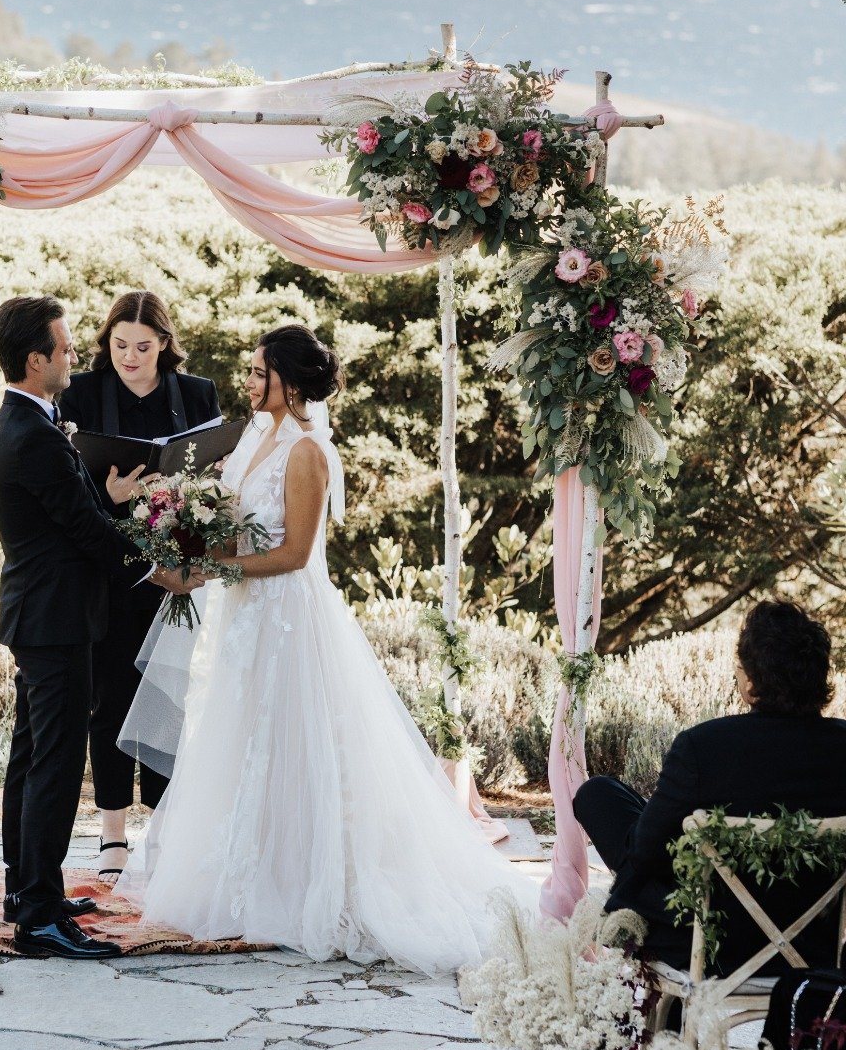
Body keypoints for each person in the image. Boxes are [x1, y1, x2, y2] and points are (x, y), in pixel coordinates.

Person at [118, 323, 536, 974]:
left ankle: (304, 881)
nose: (250, 382)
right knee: (244, 740)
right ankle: (249, 874)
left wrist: (213, 572)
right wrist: (190, 554)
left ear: (290, 379)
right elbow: (234, 533)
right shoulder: (252, 440)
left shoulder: (308, 451)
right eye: (251, 371)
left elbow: (291, 553)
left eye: (261, 373)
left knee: (294, 742)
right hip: (245, 619)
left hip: (290, 621)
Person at [0, 294, 191, 961]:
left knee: (31, 755)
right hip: (55, 616)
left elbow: (76, 516)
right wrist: (159, 572)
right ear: (35, 358)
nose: (75, 355)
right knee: (53, 762)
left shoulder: (30, 422)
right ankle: (40, 917)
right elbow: (86, 528)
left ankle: (27, 892)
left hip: (40, 612)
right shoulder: (35, 434)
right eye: (64, 347)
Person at [575, 599, 846, 974]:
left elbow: (643, 851)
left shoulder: (704, 746)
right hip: (816, 943)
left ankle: (627, 918)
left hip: (710, 940)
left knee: (598, 796)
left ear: (752, 681)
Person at [59, 290, 221, 881]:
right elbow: (68, 490)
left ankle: (166, 826)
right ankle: (111, 834)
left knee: (168, 692)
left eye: (143, 346)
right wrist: (112, 496)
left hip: (176, 567)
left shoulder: (197, 393)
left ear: (164, 345)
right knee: (111, 696)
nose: (130, 357)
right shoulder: (78, 394)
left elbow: (215, 477)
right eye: (119, 345)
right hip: (109, 567)